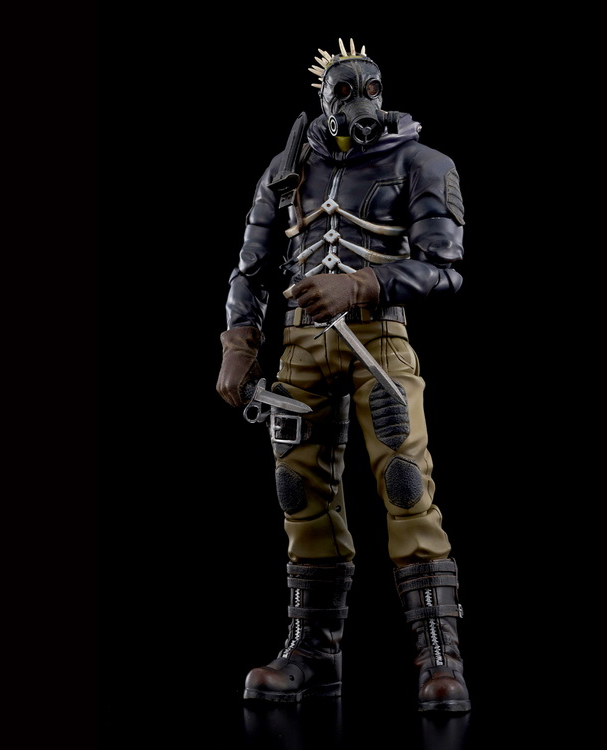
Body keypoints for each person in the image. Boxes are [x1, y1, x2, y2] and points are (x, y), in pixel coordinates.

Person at [216, 38, 470, 712]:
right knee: (299, 492)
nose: (360, 103)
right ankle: (312, 649)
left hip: (378, 341)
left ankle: (439, 653)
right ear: (325, 100)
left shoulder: (422, 163)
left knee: (406, 485)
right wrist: (239, 341)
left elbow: (445, 268)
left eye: (371, 90)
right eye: (345, 92)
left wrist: (361, 284)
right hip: (301, 347)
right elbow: (251, 267)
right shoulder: (287, 170)